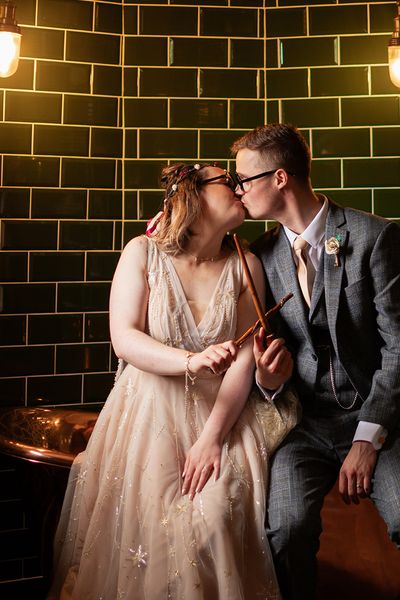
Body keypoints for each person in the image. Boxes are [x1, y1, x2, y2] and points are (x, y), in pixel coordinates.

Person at [47, 162, 284, 600]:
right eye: (226, 181)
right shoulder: (143, 252)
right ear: (192, 194)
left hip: (222, 417)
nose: (237, 187)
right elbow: (124, 339)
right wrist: (191, 360)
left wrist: (212, 437)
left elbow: (245, 359)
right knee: (150, 537)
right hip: (147, 414)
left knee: (214, 516)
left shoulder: (246, 265)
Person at [231, 123, 400, 600]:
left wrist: (369, 439)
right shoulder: (260, 255)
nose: (238, 190)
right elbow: (270, 362)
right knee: (284, 529)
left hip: (378, 418)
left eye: (244, 179)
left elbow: (399, 348)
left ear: (279, 178)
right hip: (303, 425)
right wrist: (267, 381)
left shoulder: (375, 237)